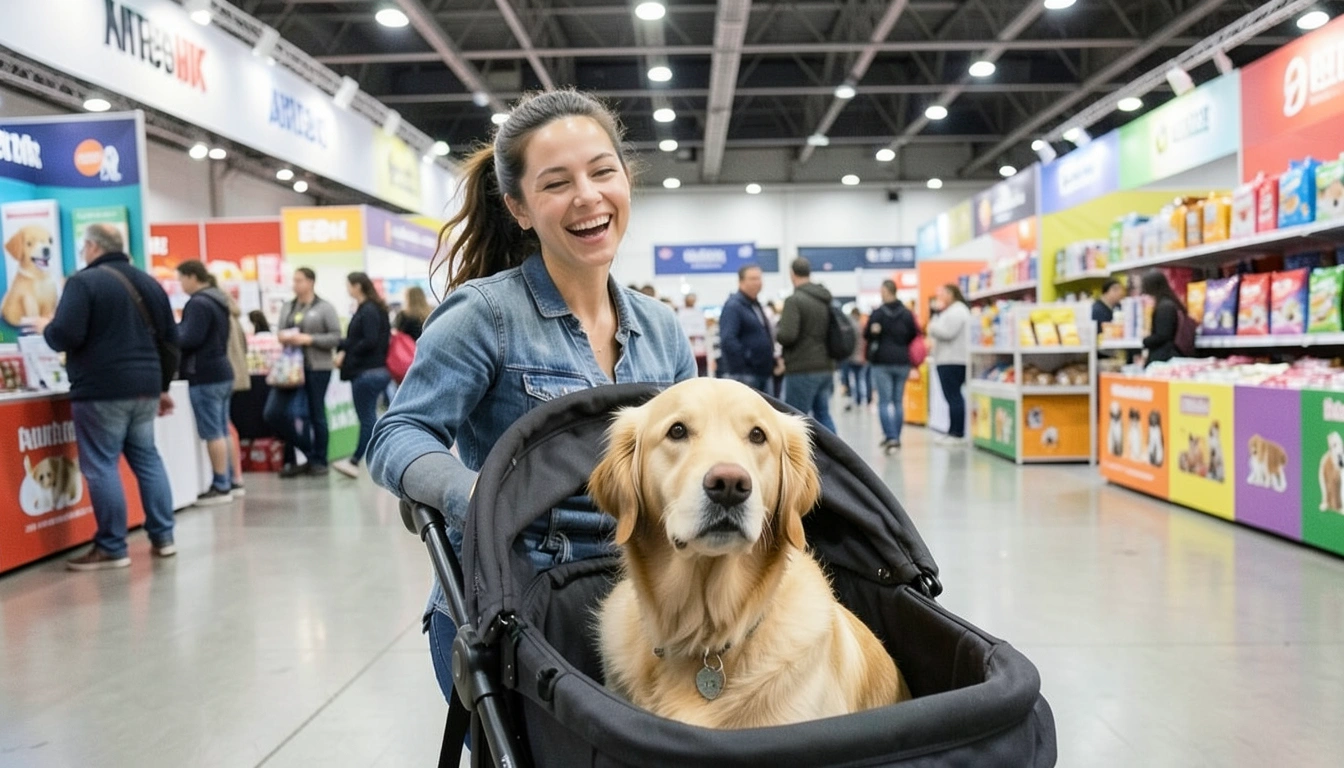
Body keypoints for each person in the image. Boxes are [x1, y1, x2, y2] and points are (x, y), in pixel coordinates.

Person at [365, 89, 696, 706]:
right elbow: (398, 435)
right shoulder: (485, 314)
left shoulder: (662, 329)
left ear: (626, 180)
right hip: (515, 606)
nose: (588, 197)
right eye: (556, 184)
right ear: (519, 208)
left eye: (602, 171)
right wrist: (476, 495)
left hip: (641, 604)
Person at [32, 224, 178, 569]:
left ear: (94, 247)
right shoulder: (149, 283)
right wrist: (163, 386)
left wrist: (46, 329)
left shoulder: (84, 283)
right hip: (145, 385)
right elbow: (172, 339)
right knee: (148, 459)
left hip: (101, 389)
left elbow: (66, 334)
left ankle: (112, 546)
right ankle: (164, 537)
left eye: (83, 248)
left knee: (101, 464)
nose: (82, 254)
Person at [263, 267, 341, 477]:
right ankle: (309, 451)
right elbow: (279, 331)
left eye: (299, 280)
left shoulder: (325, 308)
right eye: (294, 280)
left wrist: (309, 339)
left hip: (317, 367)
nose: (295, 284)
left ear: (310, 282)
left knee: (316, 415)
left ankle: (319, 460)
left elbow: (335, 337)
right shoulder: (288, 306)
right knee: (274, 413)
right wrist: (284, 337)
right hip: (289, 369)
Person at [175, 260, 238, 504]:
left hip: (204, 374)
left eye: (181, 279)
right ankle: (232, 479)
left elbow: (191, 337)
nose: (180, 285)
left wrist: (173, 333)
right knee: (222, 429)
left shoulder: (198, 303)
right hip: (222, 371)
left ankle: (220, 484)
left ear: (192, 277)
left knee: (213, 432)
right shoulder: (218, 301)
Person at [332, 272, 391, 479]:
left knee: (366, 418)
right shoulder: (374, 309)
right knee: (370, 417)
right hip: (374, 371)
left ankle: (355, 460)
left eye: (348, 285)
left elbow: (369, 340)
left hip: (367, 372)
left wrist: (345, 348)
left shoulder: (368, 311)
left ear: (357, 286)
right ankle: (376, 458)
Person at [776, 257, 837, 432]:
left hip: (802, 367)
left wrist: (777, 333)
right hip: (825, 365)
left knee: (797, 418)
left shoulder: (794, 300)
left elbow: (788, 335)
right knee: (823, 414)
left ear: (792, 274)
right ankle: (836, 456)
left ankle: (800, 459)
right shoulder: (824, 298)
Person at [866, 280, 919, 451]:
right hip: (902, 360)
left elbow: (867, 334)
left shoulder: (878, 314)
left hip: (882, 361)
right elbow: (914, 333)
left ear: (887, 291)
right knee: (897, 401)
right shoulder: (907, 313)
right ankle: (896, 436)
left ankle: (890, 436)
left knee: (884, 401)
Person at [716, 264, 775, 392]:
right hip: (745, 375)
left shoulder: (755, 305)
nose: (757, 282)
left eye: (759, 278)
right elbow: (728, 339)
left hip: (763, 372)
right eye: (753, 279)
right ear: (741, 281)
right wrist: (748, 360)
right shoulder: (733, 306)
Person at [927, 283, 971, 445]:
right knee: (952, 396)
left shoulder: (958, 311)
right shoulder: (952, 311)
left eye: (944, 293)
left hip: (953, 360)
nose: (941, 296)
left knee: (954, 396)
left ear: (952, 294)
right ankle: (953, 430)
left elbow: (947, 333)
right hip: (948, 359)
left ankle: (957, 433)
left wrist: (932, 326)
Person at [1140, 269, 1189, 365]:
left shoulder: (1165, 307)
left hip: (1164, 358)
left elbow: (1163, 335)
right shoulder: (1171, 303)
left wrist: (1145, 341)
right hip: (1169, 355)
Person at [842, 306, 871, 412]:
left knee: (852, 379)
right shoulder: (863, 326)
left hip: (852, 357)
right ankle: (861, 400)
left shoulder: (850, 326)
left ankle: (856, 399)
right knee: (860, 379)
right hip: (862, 357)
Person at [678, 293, 709, 375]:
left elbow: (702, 329)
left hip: (699, 346)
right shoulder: (681, 313)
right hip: (686, 345)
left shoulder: (698, 312)